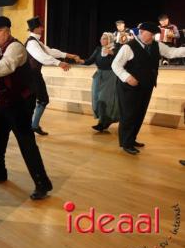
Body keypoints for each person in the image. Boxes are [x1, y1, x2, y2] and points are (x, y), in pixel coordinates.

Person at [0, 16, 53, 200]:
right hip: (4, 102)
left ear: (8, 31)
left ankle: (42, 184)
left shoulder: (16, 47)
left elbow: (6, 66)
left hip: (19, 103)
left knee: (26, 143)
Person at [111, 22, 185, 155]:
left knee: (140, 113)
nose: (152, 37)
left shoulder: (156, 45)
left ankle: (132, 139)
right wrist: (127, 77)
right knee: (129, 115)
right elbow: (115, 65)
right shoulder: (128, 47)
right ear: (142, 32)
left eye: (153, 35)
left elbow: (172, 52)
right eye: (150, 34)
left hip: (146, 85)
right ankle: (126, 143)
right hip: (129, 87)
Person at [25, 16, 80, 135]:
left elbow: (51, 51)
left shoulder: (37, 42)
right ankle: (31, 126)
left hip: (34, 75)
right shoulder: (31, 43)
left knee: (41, 100)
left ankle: (33, 125)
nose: (43, 29)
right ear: (35, 29)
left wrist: (69, 56)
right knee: (40, 100)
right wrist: (59, 63)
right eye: (40, 27)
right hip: (31, 76)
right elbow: (42, 57)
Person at [79, 33, 119, 132]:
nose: (102, 40)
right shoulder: (98, 49)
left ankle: (103, 122)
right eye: (101, 38)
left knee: (105, 99)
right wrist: (80, 60)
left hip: (110, 76)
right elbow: (89, 61)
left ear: (109, 40)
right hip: (98, 75)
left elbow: (120, 59)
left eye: (104, 39)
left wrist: (112, 53)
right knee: (96, 97)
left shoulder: (115, 49)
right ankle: (103, 120)